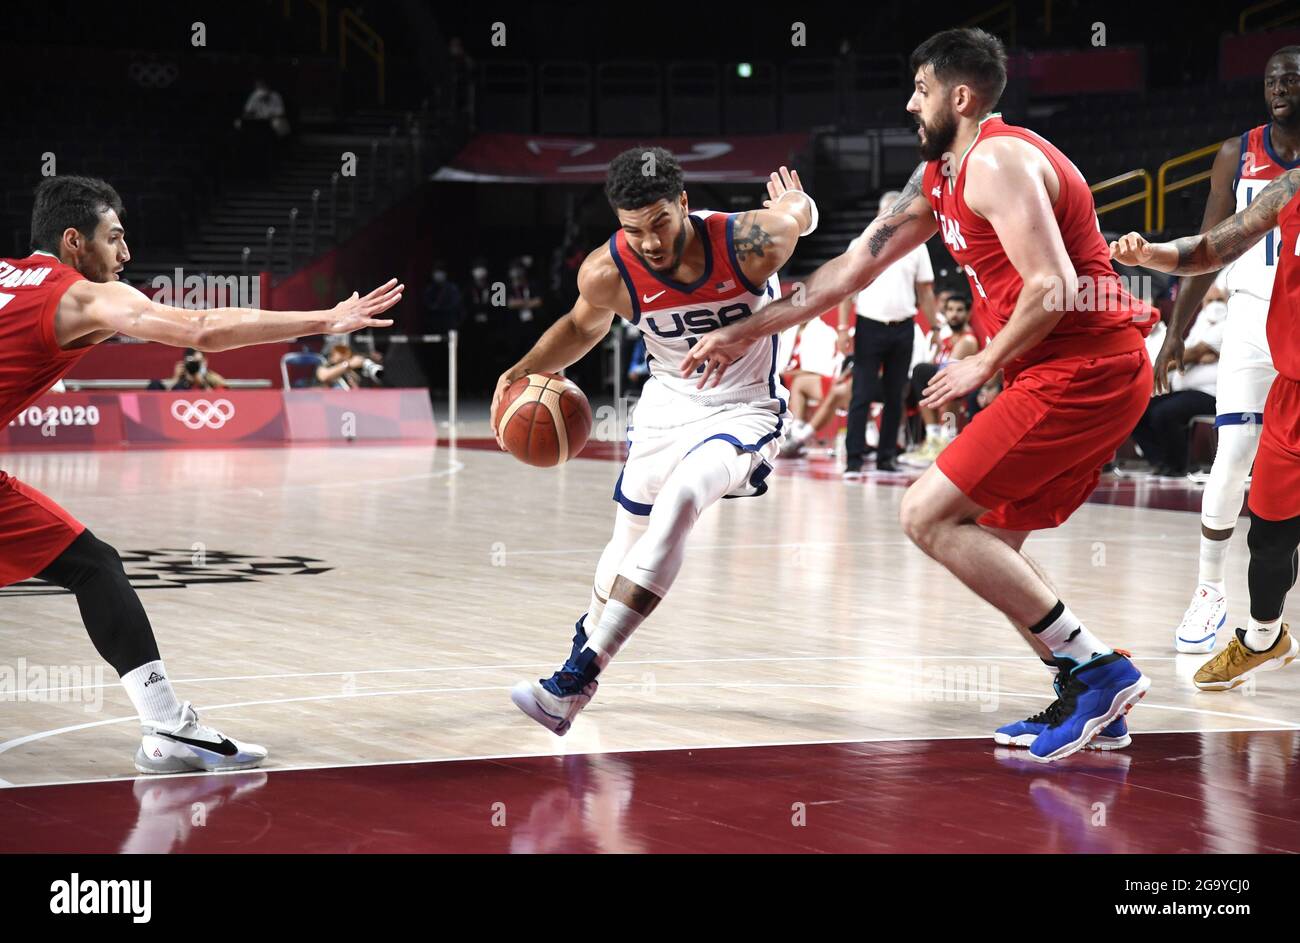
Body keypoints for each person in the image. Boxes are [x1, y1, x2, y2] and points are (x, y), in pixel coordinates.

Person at [684, 28, 1157, 762]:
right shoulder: (940, 177)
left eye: (922, 89)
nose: (909, 102)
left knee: (924, 513)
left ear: (960, 97)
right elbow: (847, 271)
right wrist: (747, 329)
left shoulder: (997, 160)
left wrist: (980, 362)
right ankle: (1089, 688)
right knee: (989, 543)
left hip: (1088, 368)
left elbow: (1055, 285)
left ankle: (1099, 670)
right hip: (1064, 371)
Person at [2, 175, 401, 773]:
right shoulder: (77, 296)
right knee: (93, 566)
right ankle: (166, 727)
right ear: (73, 243)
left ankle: (166, 726)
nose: (126, 254)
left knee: (93, 563)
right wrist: (326, 319)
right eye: (115, 239)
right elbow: (200, 331)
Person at [491, 150, 816, 735]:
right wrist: (520, 370)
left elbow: (797, 213)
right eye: (632, 229)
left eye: (660, 223)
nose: (649, 242)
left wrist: (798, 205)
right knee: (627, 537)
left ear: (684, 204)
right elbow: (581, 327)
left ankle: (576, 677)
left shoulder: (748, 241)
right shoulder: (606, 271)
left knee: (682, 500)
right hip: (668, 407)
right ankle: (580, 657)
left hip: (744, 407)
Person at [1110, 161, 1300, 693]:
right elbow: (1214, 247)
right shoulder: (1293, 185)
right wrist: (1153, 255)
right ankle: (1263, 636)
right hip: (1292, 388)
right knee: (1268, 536)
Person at [1156, 46, 1300, 654]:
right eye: (1271, 79)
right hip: (1248, 316)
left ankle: (1269, 615)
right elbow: (1209, 250)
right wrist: (1176, 333)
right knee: (1234, 451)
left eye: (1292, 77)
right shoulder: (1234, 153)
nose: (1279, 87)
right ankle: (1210, 591)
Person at [837, 190, 938, 476]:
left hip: (903, 326)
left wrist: (937, 325)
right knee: (862, 393)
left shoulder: (917, 245)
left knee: (896, 393)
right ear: (879, 215)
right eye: (887, 211)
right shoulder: (861, 243)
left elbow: (925, 292)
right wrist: (843, 328)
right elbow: (846, 288)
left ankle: (887, 457)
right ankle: (853, 459)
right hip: (869, 324)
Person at [1132, 287, 1226, 477]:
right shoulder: (1200, 324)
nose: (1215, 305)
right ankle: (1160, 461)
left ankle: (1178, 466)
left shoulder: (1227, 325)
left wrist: (1192, 356)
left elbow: (1189, 354)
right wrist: (1195, 355)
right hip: (1188, 390)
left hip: (1213, 394)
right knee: (1136, 410)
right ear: (1202, 304)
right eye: (1210, 300)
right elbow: (1191, 352)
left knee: (1165, 412)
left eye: (1219, 300)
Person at [903, 293, 978, 465]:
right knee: (916, 378)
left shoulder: (967, 340)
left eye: (959, 310)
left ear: (968, 314)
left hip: (958, 391)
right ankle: (932, 439)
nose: (954, 314)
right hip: (944, 389)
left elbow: (948, 373)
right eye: (950, 310)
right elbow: (934, 366)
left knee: (923, 372)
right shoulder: (945, 339)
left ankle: (941, 439)